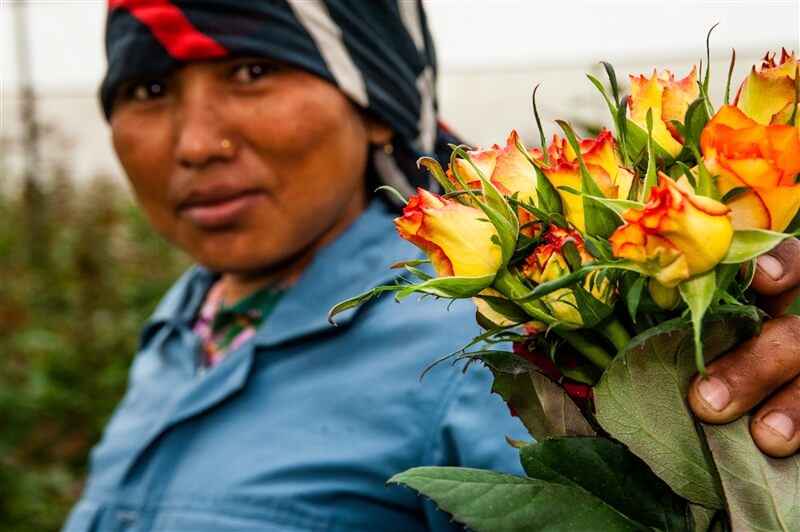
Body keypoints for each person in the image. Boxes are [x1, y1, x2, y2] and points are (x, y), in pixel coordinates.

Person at [65, 1, 800, 530]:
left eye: (254, 71)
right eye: (149, 89)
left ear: (376, 99)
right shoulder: (186, 325)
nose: (195, 143)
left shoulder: (487, 336)